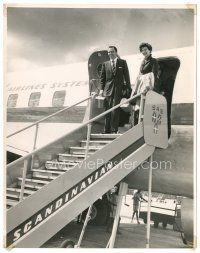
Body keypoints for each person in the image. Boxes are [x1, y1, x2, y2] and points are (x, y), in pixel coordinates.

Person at [99, 46, 131, 134]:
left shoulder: (122, 62)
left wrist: (128, 88)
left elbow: (127, 76)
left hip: (118, 89)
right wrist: (102, 90)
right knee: (107, 109)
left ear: (116, 52)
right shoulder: (105, 64)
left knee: (115, 110)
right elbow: (102, 79)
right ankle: (106, 130)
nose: (110, 53)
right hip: (107, 90)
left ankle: (114, 130)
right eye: (109, 52)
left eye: (112, 52)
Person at [131, 43, 158, 125]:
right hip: (140, 85)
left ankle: (144, 126)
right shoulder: (143, 61)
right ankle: (137, 125)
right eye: (142, 50)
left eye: (146, 49)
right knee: (138, 107)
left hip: (148, 86)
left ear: (150, 50)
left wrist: (150, 88)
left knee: (145, 107)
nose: (144, 51)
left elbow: (154, 75)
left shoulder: (153, 61)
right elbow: (140, 74)